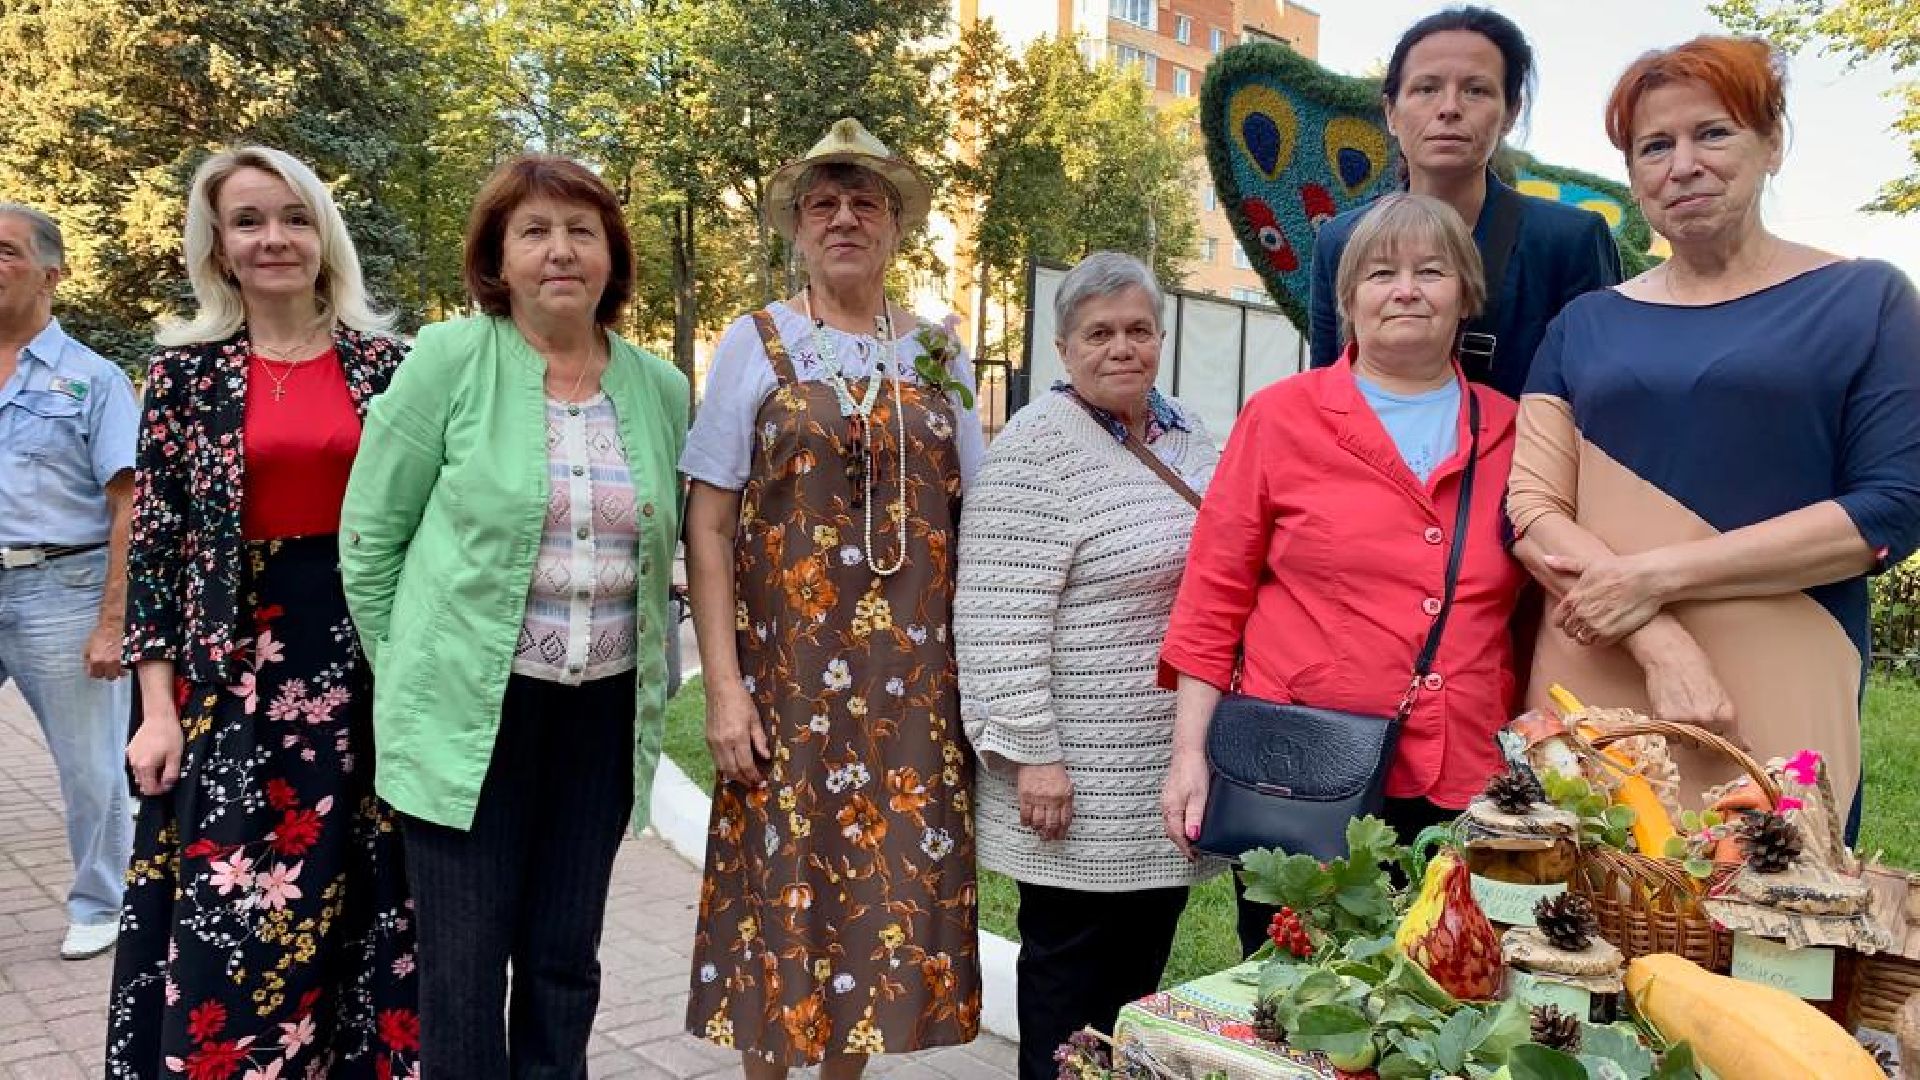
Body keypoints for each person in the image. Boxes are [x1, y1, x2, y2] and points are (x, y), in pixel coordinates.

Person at [1506, 36, 1920, 838]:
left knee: (1773, 911)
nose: (1682, 164)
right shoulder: (1583, 323)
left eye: (1713, 133)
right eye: (1654, 146)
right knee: (1579, 911)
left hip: (1790, 650)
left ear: (1771, 145)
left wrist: (1655, 577)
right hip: (1594, 655)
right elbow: (1530, 508)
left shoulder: (1867, 301)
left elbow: (1892, 508)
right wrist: (1654, 635)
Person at [339, 154, 688, 1078]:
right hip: (469, 717)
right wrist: (415, 668)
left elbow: (662, 556)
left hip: (600, 717)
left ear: (612, 254)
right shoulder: (448, 360)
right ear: (499, 255)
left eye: (582, 231)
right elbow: (370, 540)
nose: (560, 251)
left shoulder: (659, 387)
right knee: (461, 971)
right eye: (534, 231)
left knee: (563, 963)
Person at [681, 118, 984, 1078]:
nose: (845, 217)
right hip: (790, 688)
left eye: (866, 203)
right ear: (798, 227)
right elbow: (711, 524)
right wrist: (724, 690)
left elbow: (977, 516)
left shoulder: (937, 351)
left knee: (878, 915)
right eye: (825, 203)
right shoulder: (755, 341)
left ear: (896, 227)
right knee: (784, 906)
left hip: (910, 695)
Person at [109, 146, 416, 1079]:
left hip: (369, 668)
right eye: (247, 221)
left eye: (291, 216)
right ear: (219, 247)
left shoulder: (393, 366)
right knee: (235, 912)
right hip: (230, 676)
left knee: (371, 907)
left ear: (323, 233)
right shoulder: (183, 376)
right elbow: (156, 551)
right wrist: (157, 710)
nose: (273, 238)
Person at [1161, 194, 1526, 959]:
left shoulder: (1512, 428)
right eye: (1381, 273)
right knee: (1301, 994)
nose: (1406, 289)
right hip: (1301, 777)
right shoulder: (1282, 417)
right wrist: (1191, 754)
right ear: (1349, 299)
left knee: (1441, 983)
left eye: (1432, 271)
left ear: (1466, 294)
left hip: (1461, 776)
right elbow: (1212, 596)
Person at [955, 251, 1220, 1080]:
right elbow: (998, 619)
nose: (1122, 348)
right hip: (1072, 786)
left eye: (1139, 329)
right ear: (1064, 348)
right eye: (1099, 333)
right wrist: (1033, 755)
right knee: (1068, 996)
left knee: (1135, 988)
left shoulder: (1188, 435)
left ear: (1161, 338)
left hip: (1163, 776)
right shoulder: (1038, 449)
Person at [1307, 5, 1622, 400]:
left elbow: (1601, 401)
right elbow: (1323, 392)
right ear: (1391, 112)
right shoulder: (1340, 239)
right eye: (1426, 88)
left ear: (1510, 114)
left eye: (1476, 90)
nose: (1449, 108)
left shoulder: (1568, 241)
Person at [0, 202, 137, 961]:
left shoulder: (94, 380)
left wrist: (111, 622)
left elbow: (126, 505)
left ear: (52, 274)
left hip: (63, 586)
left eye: (6, 253)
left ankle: (100, 901)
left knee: (90, 766)